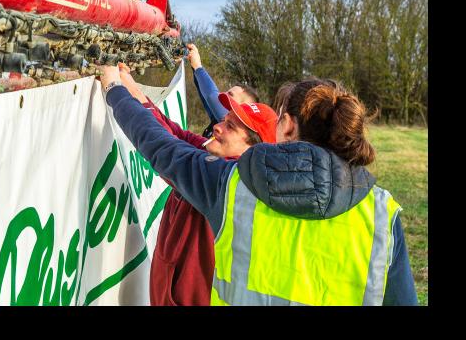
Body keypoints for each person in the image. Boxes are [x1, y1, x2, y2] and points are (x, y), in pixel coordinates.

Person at [99, 68, 418, 306]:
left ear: (288, 126)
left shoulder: (231, 184)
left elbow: (160, 146)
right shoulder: (382, 215)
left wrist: (113, 88)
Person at [115, 63, 276, 306]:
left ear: (252, 150)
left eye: (230, 126)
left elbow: (161, 145)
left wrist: (114, 90)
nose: (217, 127)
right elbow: (172, 132)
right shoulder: (212, 156)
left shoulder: (223, 182)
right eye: (224, 120)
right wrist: (130, 85)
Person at [184, 43, 260, 138]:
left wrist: (198, 67)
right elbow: (205, 96)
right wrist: (194, 65)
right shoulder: (218, 121)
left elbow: (211, 96)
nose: (223, 94)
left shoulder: (232, 132)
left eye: (230, 95)